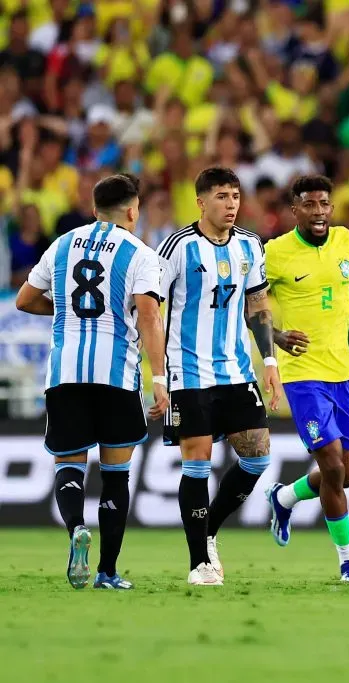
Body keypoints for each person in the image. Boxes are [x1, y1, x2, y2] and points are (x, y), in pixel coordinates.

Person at [15, 173, 168, 590]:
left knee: (69, 462)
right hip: (115, 374)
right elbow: (149, 316)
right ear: (133, 210)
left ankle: (75, 530)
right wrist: (160, 378)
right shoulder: (140, 253)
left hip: (65, 373)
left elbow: (24, 299)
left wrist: (66, 311)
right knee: (116, 474)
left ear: (93, 207)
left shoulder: (62, 244)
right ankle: (107, 572)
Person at [157, 167, 284, 587]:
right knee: (197, 464)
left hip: (236, 370)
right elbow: (151, 306)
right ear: (200, 202)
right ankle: (199, 563)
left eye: (235, 196)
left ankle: (208, 530)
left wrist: (270, 362)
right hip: (188, 372)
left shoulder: (250, 245)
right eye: (221, 197)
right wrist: (158, 373)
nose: (231, 205)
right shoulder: (178, 247)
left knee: (258, 457)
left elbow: (258, 305)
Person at [262, 175, 349, 583]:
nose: (319, 211)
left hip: (342, 373)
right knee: (333, 467)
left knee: (346, 475)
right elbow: (251, 306)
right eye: (310, 204)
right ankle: (348, 560)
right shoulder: (275, 253)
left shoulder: (348, 244)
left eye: (325, 204)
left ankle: (283, 497)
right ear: (294, 210)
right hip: (302, 375)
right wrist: (277, 337)